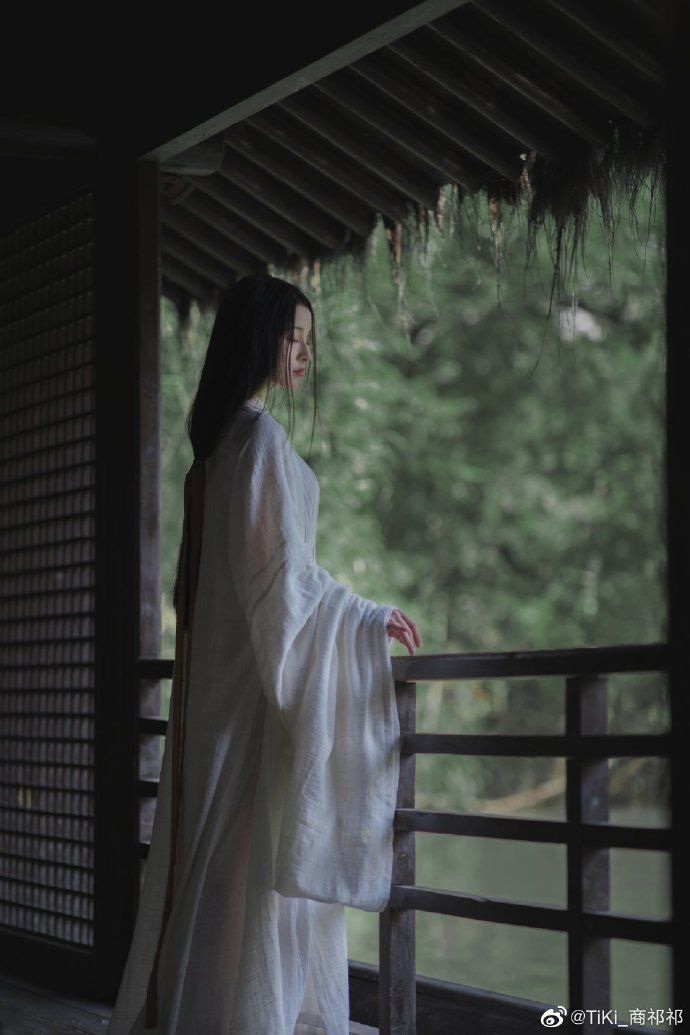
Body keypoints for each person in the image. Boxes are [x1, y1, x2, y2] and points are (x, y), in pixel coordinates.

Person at [106, 273, 422, 1034]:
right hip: (247, 698)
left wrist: (344, 613)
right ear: (261, 340)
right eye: (294, 338)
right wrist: (364, 616)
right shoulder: (261, 442)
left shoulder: (218, 448)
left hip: (214, 692)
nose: (305, 354)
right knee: (251, 884)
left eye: (310, 341)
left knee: (217, 877)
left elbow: (269, 582)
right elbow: (286, 585)